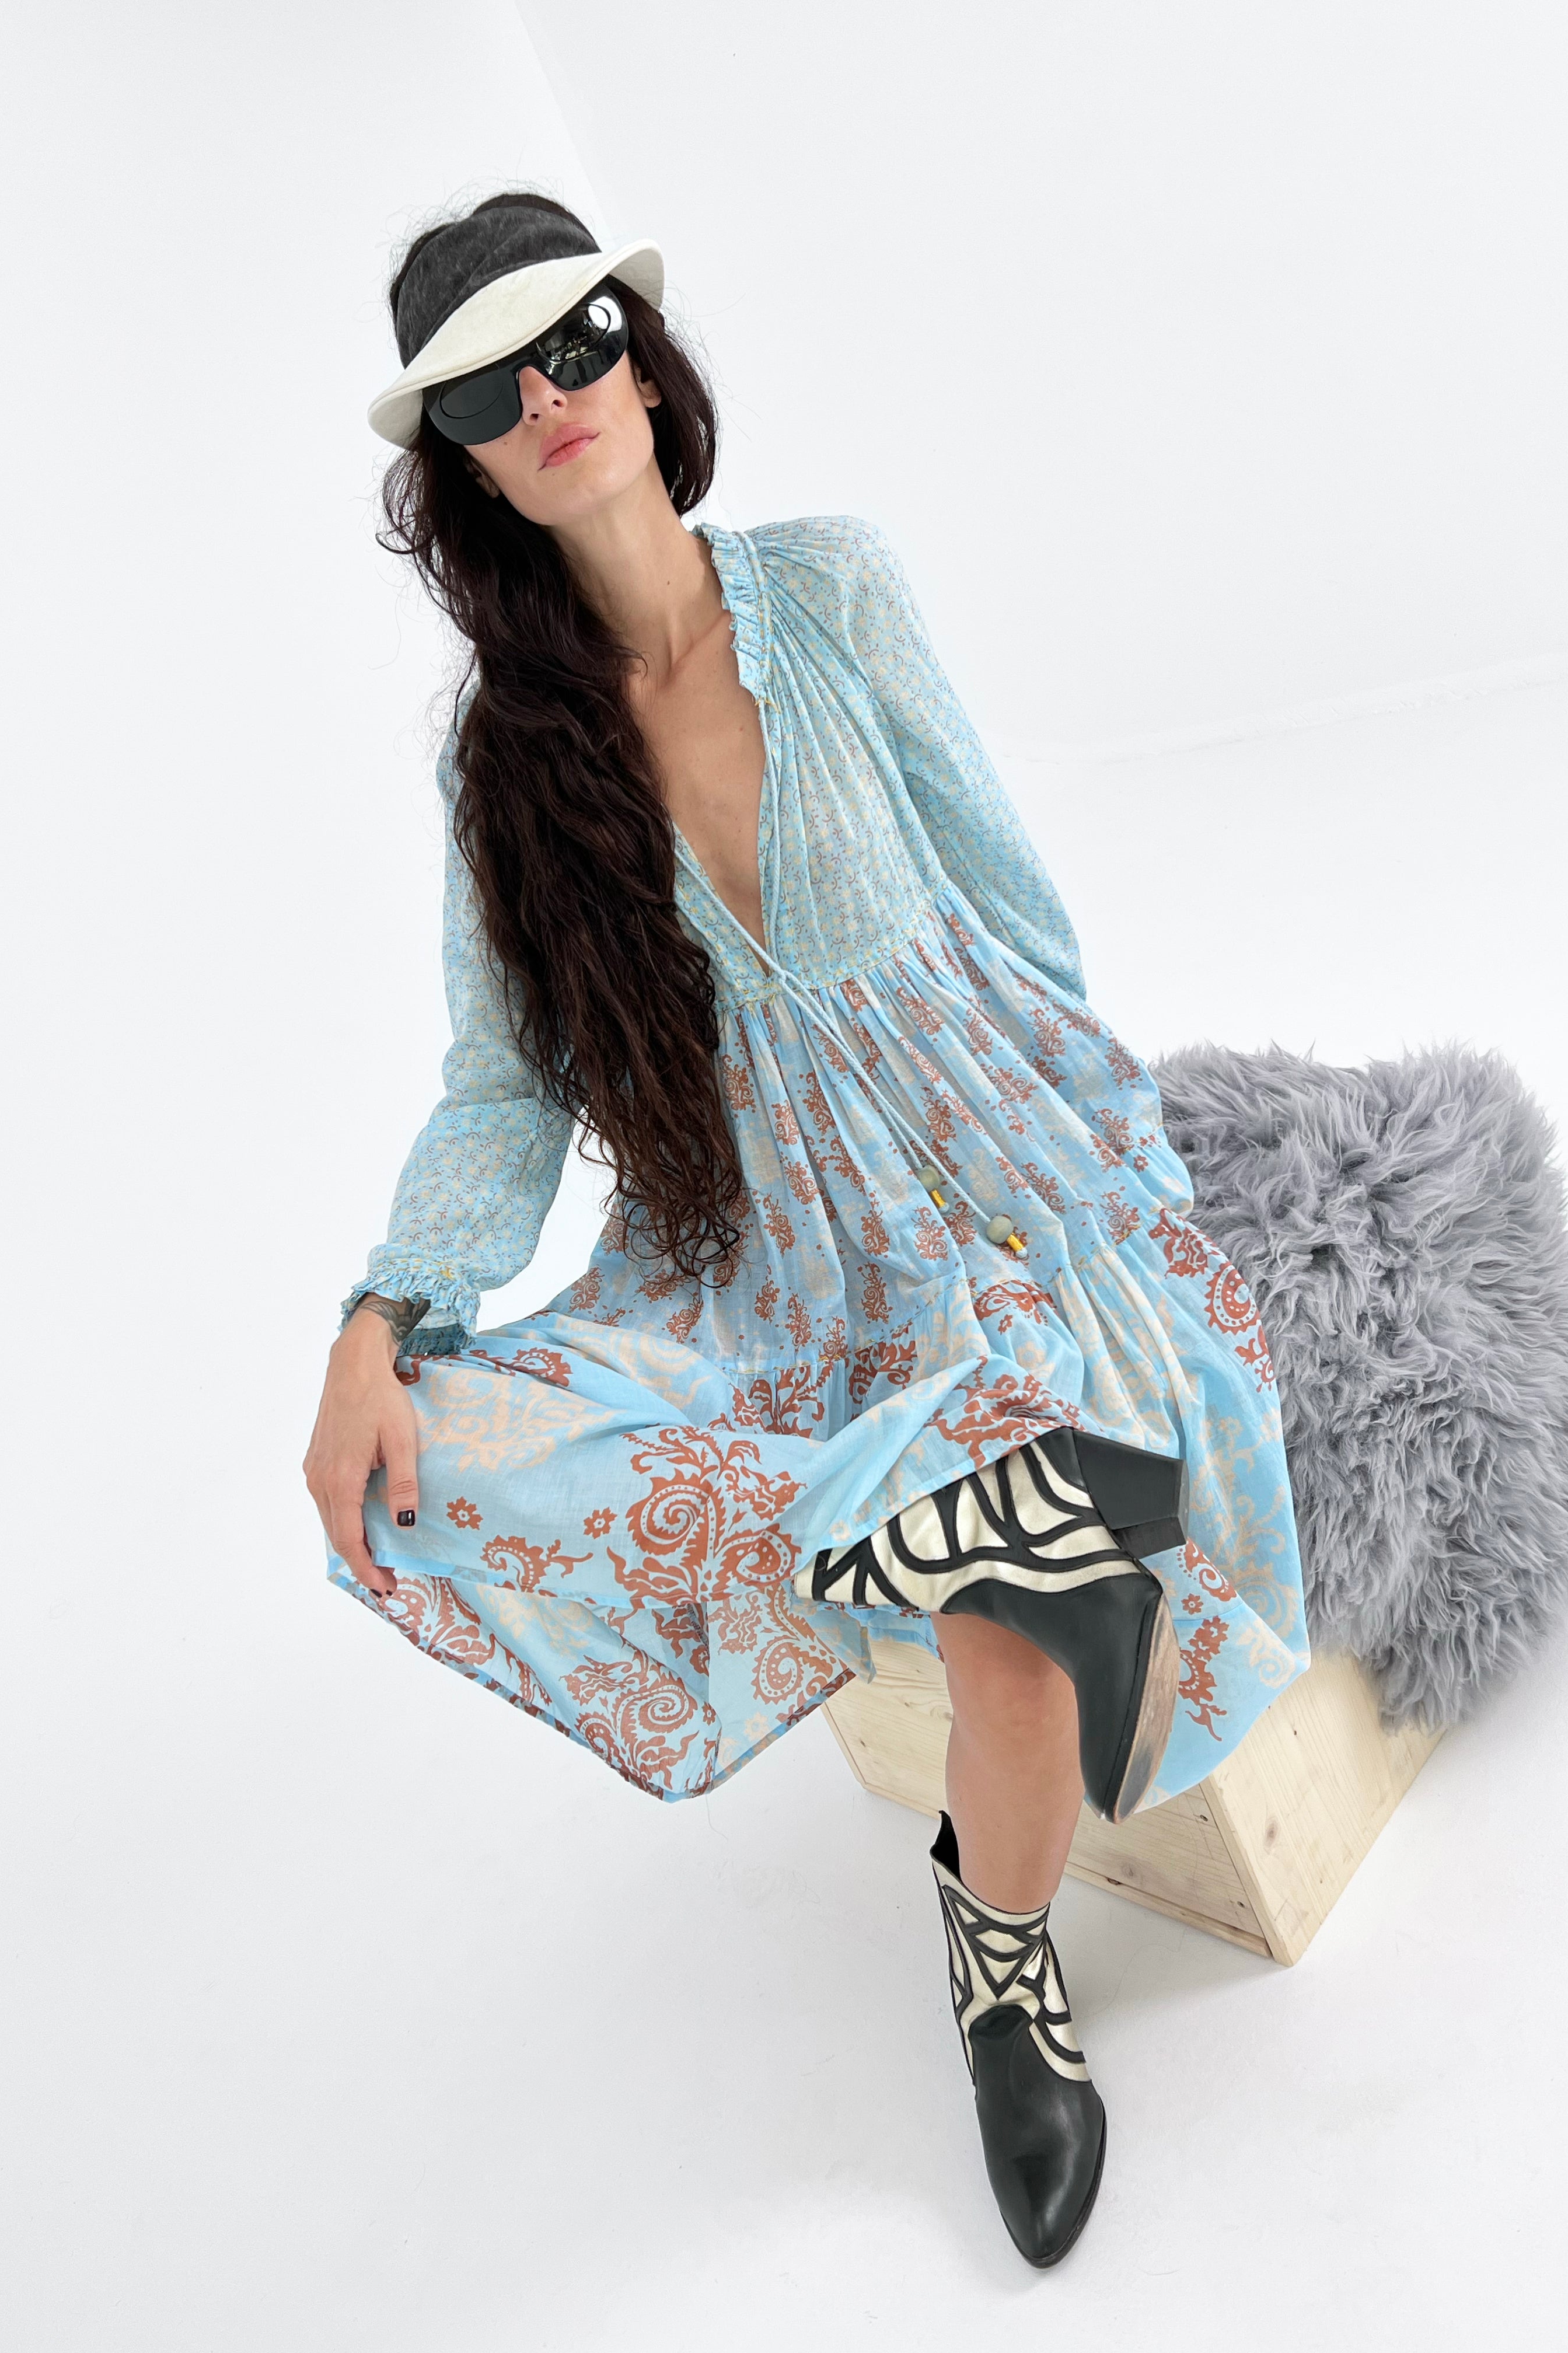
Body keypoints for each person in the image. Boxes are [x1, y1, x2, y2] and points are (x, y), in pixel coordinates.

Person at [304, 189, 1308, 2269]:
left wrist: (1104, 1184)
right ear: (464, 467)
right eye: (489, 393)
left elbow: (1011, 903)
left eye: (577, 341)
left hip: (988, 1203)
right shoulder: (507, 765)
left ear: (642, 357)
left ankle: (999, 1954)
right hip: (758, 1266)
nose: (550, 396)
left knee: (1022, 1609)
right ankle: (920, 1517)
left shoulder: (834, 590)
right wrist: (381, 1315)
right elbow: (505, 1089)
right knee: (423, 1458)